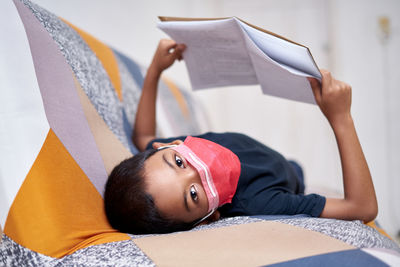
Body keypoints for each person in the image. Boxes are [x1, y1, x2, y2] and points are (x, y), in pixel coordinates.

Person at [104, 39, 378, 234]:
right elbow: (362, 207)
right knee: (295, 169)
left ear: (169, 145)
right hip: (288, 175)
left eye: (178, 162)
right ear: (207, 219)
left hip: (269, 156)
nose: (200, 170)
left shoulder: (179, 146)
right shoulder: (261, 201)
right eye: (193, 193)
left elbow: (143, 136)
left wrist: (155, 70)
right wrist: (341, 118)